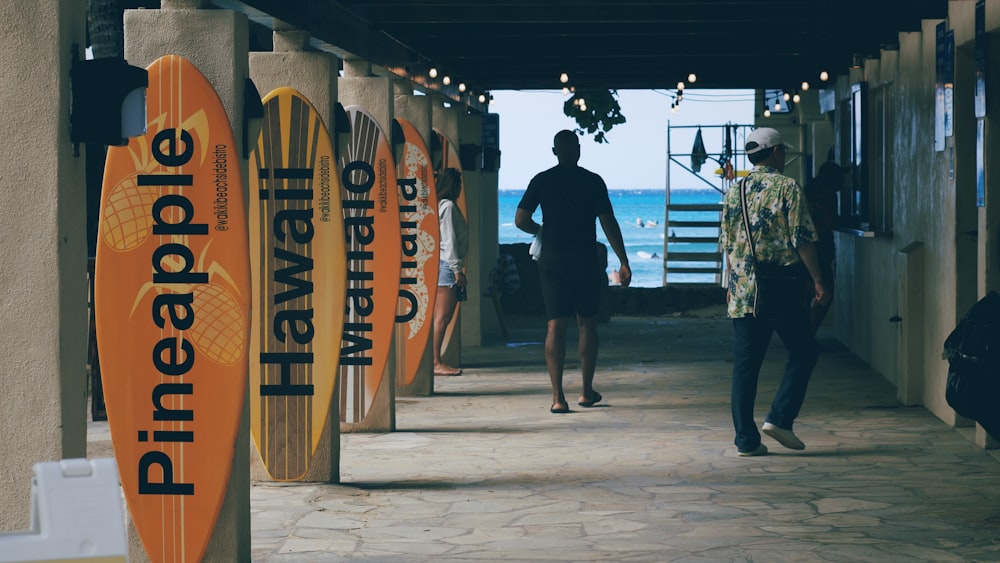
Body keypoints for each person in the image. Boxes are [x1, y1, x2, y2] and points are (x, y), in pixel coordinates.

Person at [719, 127, 830, 456]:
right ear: (776, 152)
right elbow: (802, 238)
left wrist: (731, 283)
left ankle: (746, 440)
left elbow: (728, 244)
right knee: (804, 351)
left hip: (743, 291)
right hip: (779, 286)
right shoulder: (787, 187)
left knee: (745, 366)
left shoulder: (733, 191)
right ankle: (780, 418)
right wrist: (819, 280)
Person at [515, 130, 632, 414]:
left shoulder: (541, 180)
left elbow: (520, 219)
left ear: (554, 151)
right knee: (586, 323)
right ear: (578, 150)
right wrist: (623, 260)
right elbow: (608, 221)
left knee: (555, 325)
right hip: (584, 259)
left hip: (552, 258)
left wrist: (542, 230)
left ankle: (558, 398)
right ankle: (586, 391)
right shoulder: (592, 181)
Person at [433, 167, 469, 376]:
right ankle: (436, 362)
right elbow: (449, 241)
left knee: (441, 317)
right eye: (459, 184)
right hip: (447, 266)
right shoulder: (447, 207)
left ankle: (436, 360)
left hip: (444, 264)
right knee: (443, 316)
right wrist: (458, 271)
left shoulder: (441, 206)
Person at [803, 161, 843, 333]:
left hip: (802, 251)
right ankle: (807, 337)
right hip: (821, 250)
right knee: (825, 294)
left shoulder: (806, 191)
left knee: (806, 295)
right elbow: (829, 221)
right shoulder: (827, 195)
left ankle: (803, 337)